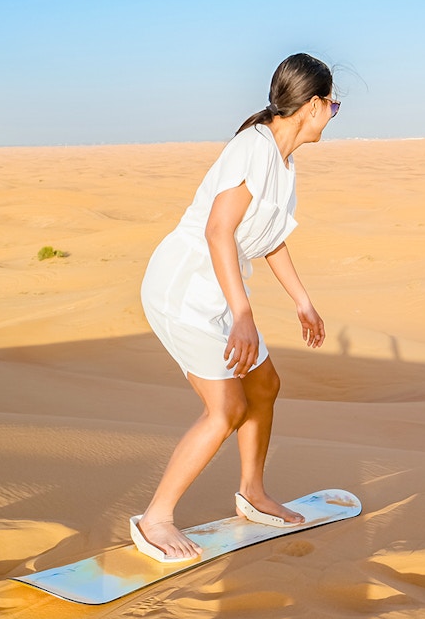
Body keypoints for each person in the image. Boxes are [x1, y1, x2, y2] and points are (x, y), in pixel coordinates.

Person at [131, 53, 339, 562]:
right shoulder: (254, 147)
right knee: (226, 408)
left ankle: (253, 492)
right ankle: (154, 519)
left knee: (264, 385)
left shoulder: (282, 162)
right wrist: (243, 315)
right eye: (332, 105)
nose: (333, 114)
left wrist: (303, 302)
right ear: (312, 105)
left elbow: (268, 240)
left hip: (220, 292)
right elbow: (217, 230)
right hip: (183, 289)